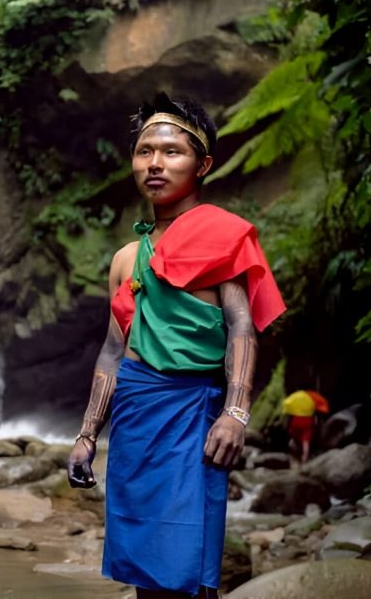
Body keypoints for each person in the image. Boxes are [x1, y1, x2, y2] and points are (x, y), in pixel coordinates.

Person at [67, 93, 286, 598]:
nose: (155, 164)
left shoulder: (223, 237)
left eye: (171, 151)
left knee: (192, 567)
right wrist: (86, 435)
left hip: (194, 418)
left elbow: (241, 328)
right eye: (145, 151)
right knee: (144, 570)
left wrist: (236, 412)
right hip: (136, 421)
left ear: (202, 164)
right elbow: (111, 351)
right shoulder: (126, 257)